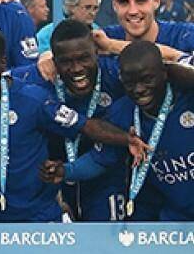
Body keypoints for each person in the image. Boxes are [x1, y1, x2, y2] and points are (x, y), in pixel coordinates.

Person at [0, 26, 146, 222]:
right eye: (66, 61)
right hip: (55, 180)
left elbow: (155, 62)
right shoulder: (36, 79)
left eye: (84, 58)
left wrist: (111, 46)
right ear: (54, 62)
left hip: (103, 179)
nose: (77, 68)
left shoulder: (114, 72)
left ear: (97, 54)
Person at [47, 41, 194, 221]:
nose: (139, 89)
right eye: (130, 83)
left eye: (147, 79)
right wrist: (66, 171)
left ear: (165, 74)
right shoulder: (122, 113)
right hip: (173, 218)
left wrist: (178, 69)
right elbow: (100, 159)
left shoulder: (188, 98)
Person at [34, 0, 100, 53]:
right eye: (88, 7)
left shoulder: (97, 31)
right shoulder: (47, 33)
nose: (92, 13)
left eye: (95, 8)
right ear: (72, 7)